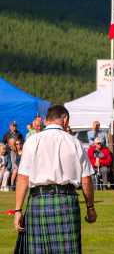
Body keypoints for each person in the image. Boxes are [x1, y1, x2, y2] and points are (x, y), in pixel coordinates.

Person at [13, 105, 97, 253]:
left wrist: (18, 210)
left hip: (38, 203)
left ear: (46, 120)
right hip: (66, 203)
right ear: (65, 120)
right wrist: (90, 207)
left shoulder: (32, 141)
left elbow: (23, 178)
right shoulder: (74, 142)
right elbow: (86, 179)